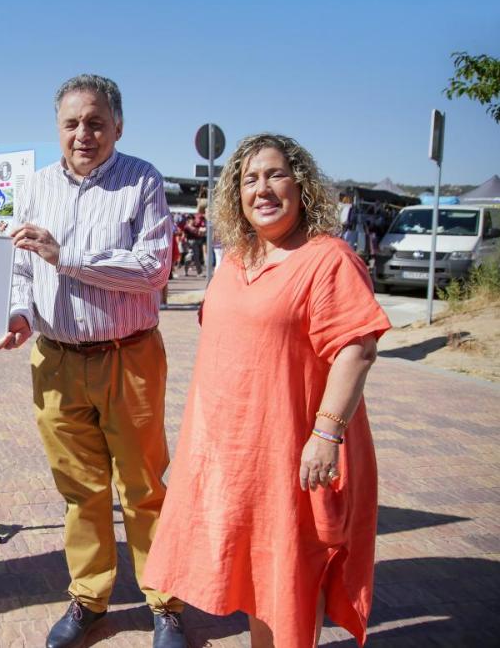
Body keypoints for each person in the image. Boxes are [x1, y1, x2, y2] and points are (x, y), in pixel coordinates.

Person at [143, 133, 390, 648]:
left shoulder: (329, 258)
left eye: (276, 174)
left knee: (290, 580)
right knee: (258, 578)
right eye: (249, 178)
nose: (263, 189)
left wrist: (327, 434)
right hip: (235, 455)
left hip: (293, 452)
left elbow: (357, 349)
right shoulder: (236, 259)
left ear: (300, 184)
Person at [0, 74, 185, 648]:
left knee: (143, 487)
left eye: (96, 121)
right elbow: (23, 269)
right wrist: (19, 316)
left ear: (117, 126)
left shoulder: (142, 180)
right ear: (57, 128)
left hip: (129, 357)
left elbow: (153, 269)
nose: (84, 133)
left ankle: (165, 602)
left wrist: (64, 255)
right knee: (79, 487)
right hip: (55, 359)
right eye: (72, 123)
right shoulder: (37, 186)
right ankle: (90, 597)